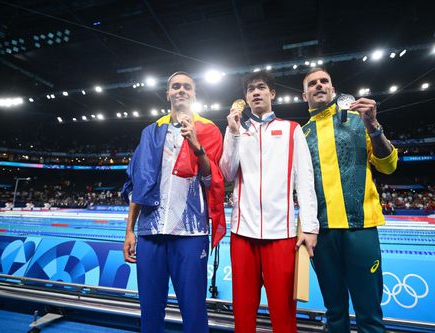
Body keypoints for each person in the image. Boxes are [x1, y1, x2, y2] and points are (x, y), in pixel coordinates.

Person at [121, 71, 226, 333]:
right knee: (150, 309)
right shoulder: (151, 132)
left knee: (193, 310)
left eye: (186, 87)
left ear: (194, 93)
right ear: (167, 93)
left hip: (190, 233)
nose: (181, 90)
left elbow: (211, 180)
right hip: (150, 232)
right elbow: (138, 185)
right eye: (175, 86)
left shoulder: (209, 129)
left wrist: (196, 146)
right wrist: (129, 231)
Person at [219, 71, 319, 332]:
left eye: (261, 87)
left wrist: (309, 227)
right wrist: (232, 134)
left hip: (281, 234)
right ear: (246, 97)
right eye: (250, 89)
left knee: (283, 311)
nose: (256, 92)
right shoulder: (236, 130)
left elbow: (305, 181)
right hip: (242, 233)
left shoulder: (291, 130)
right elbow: (227, 173)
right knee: (243, 309)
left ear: (272, 93)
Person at [301, 68, 398, 333]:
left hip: (360, 228)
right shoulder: (301, 134)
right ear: (304, 94)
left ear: (333, 90)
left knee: (369, 316)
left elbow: (388, 166)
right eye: (313, 83)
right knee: (335, 316)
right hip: (323, 233)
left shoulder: (359, 120)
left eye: (324, 82)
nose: (319, 85)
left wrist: (374, 127)